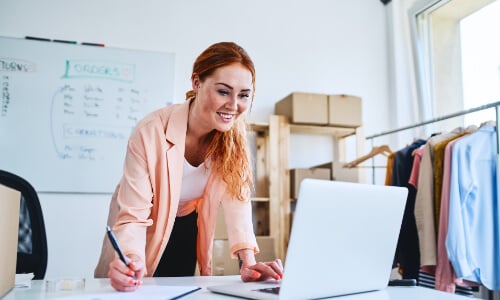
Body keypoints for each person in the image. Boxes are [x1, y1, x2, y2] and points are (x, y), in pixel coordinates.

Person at [94, 41, 284, 292]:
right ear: (196, 83)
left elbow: (238, 200)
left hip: (185, 223)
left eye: (244, 95)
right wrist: (132, 258)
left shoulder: (234, 137)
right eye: (223, 91)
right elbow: (133, 216)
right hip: (140, 222)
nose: (233, 105)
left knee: (179, 290)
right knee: (130, 285)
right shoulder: (150, 131)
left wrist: (248, 262)